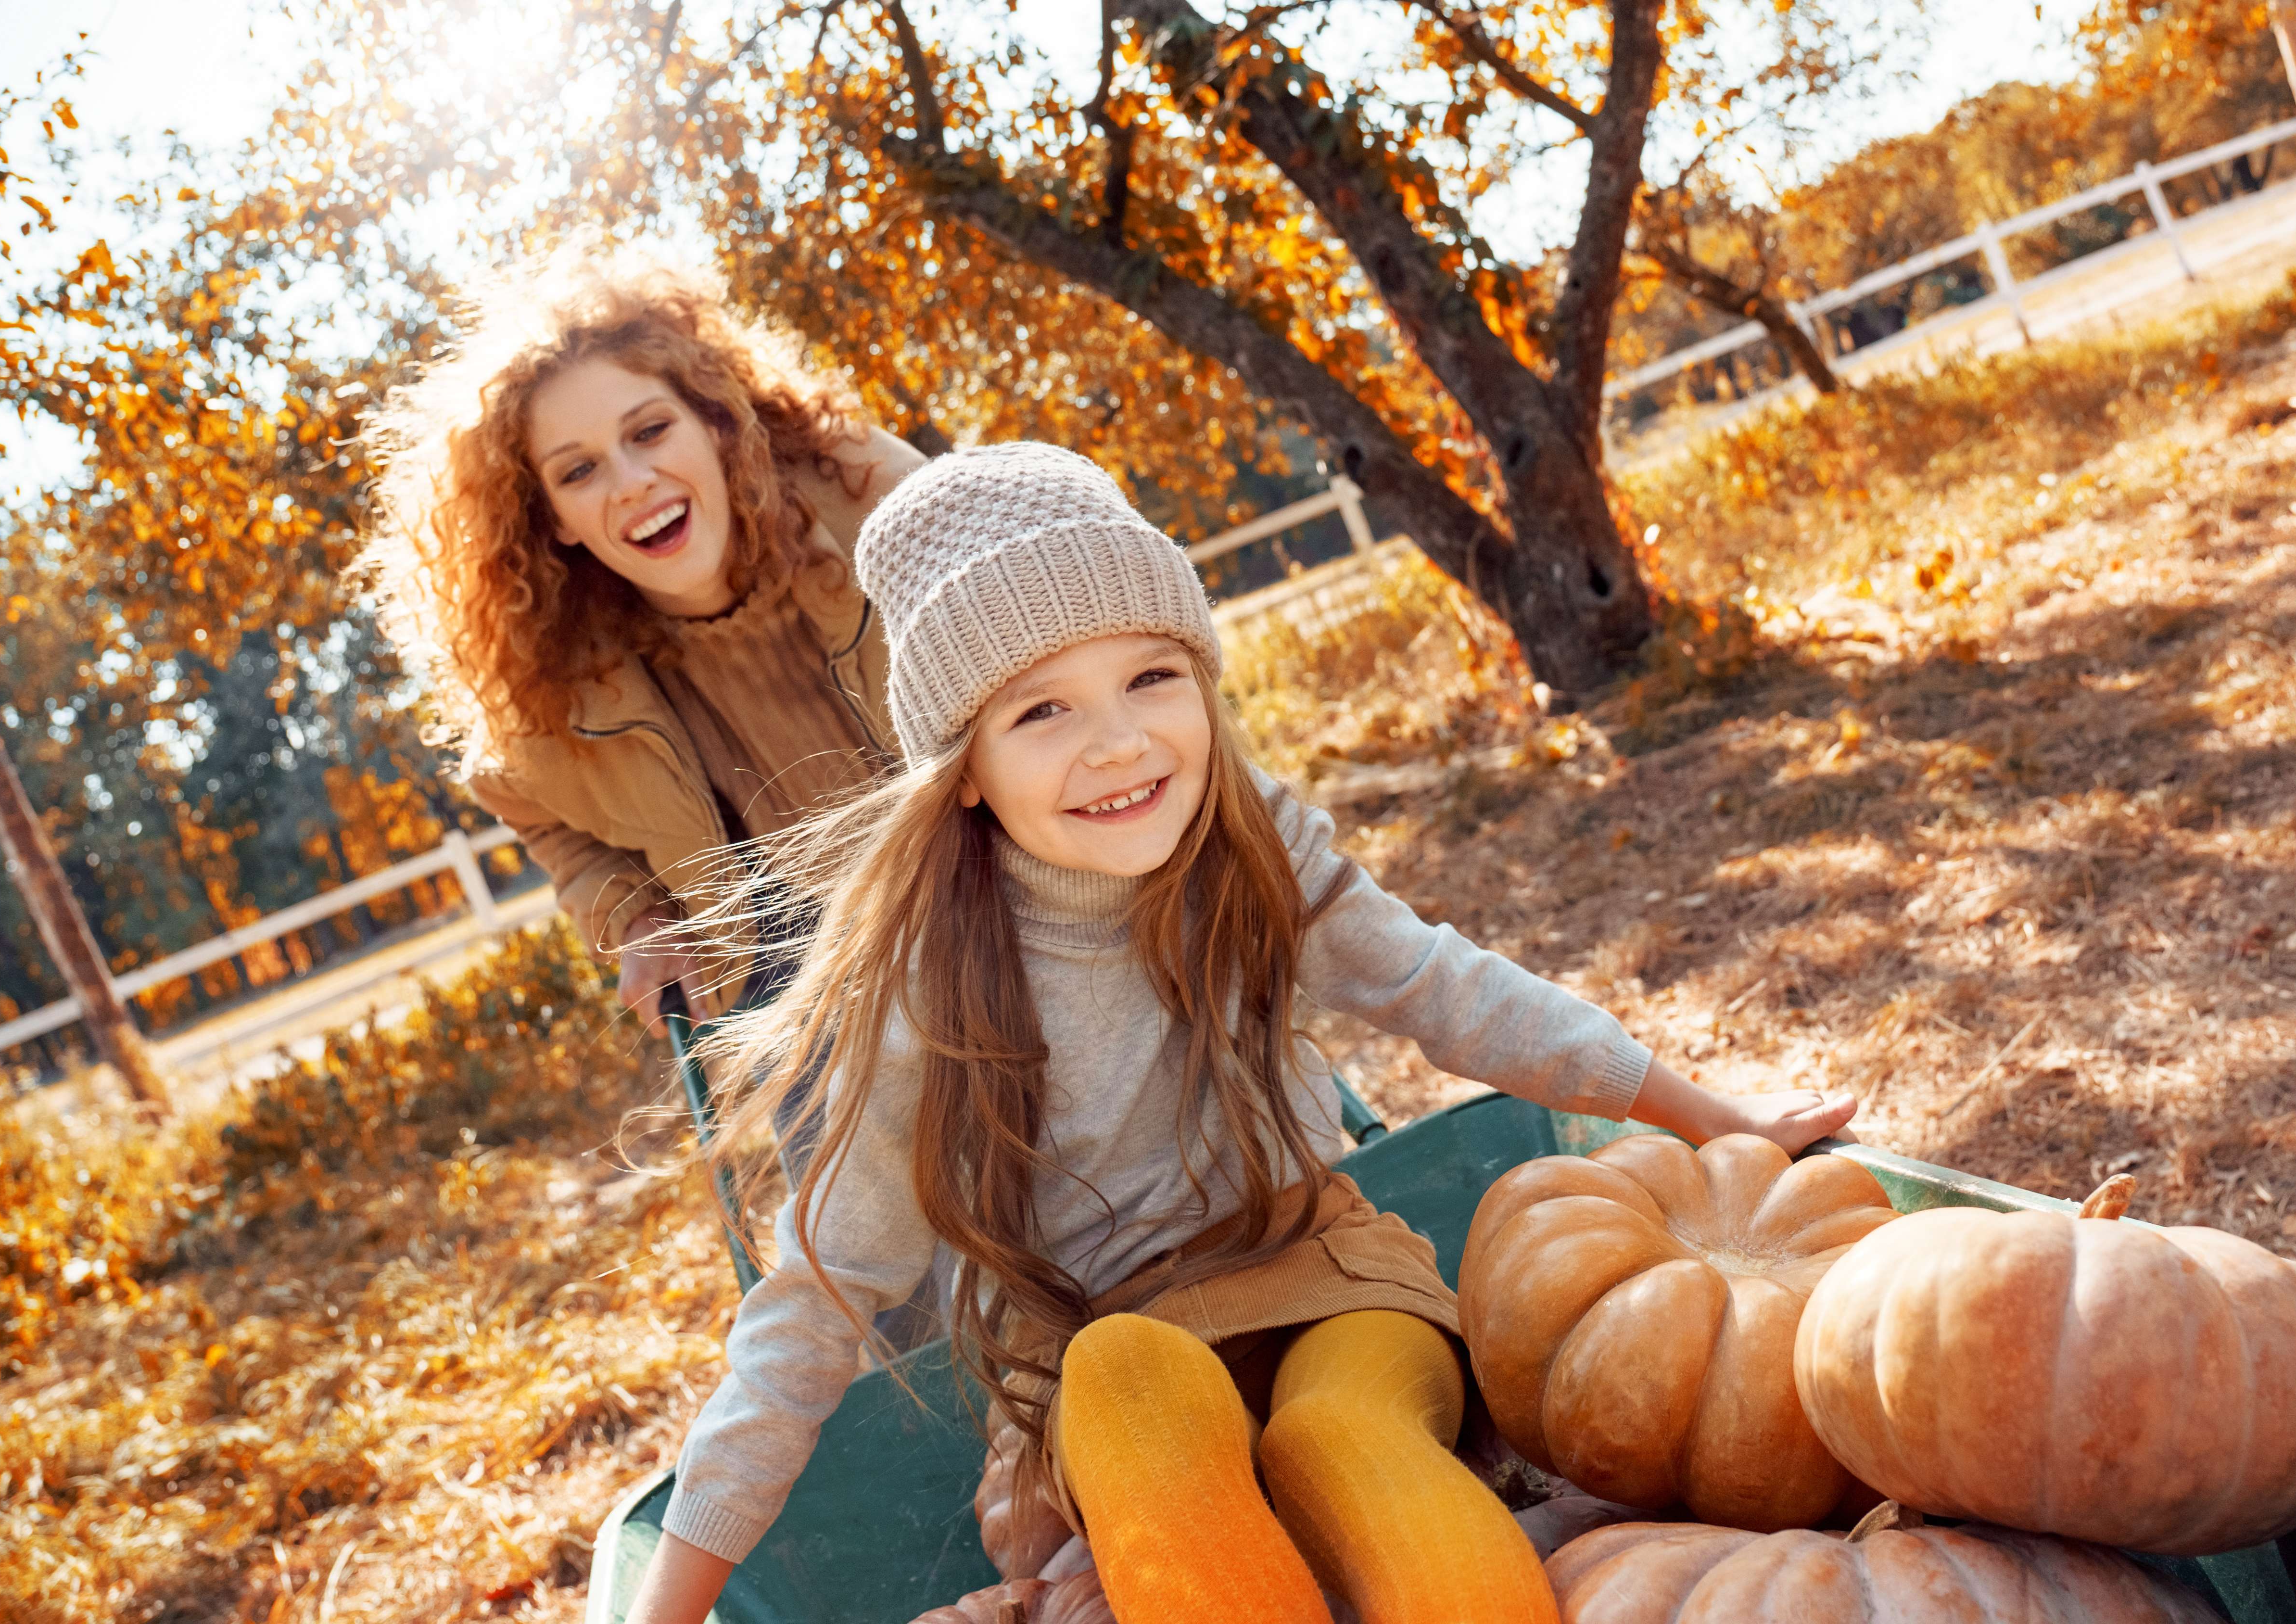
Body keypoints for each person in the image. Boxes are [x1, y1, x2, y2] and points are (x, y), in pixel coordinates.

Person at [622, 444, 1862, 1624]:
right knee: (1123, 1374)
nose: (1118, 741)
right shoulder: (925, 1000)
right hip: (1097, 1345)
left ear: (1205, 682)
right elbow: (813, 1304)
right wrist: (668, 1607)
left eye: (1152, 676)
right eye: (1040, 710)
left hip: (1316, 1270)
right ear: (962, 769)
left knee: (1341, 1432)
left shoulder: (1250, 842)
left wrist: (1714, 1117)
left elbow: (1447, 989)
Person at [352, 247, 927, 1022]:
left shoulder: (879, 504)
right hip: (797, 976)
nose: (631, 484)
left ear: (715, 422)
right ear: (554, 519)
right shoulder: (558, 681)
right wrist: (634, 915)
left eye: (650, 431)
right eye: (579, 472)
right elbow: (542, 817)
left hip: (992, 868)